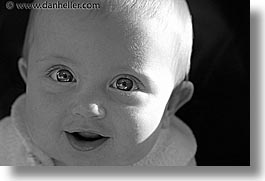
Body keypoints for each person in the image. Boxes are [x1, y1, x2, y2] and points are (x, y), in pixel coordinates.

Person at [0, 0, 196, 166]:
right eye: (63, 76)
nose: (88, 108)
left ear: (170, 104)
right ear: (28, 79)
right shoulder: (7, 146)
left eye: (124, 84)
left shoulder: (174, 163)